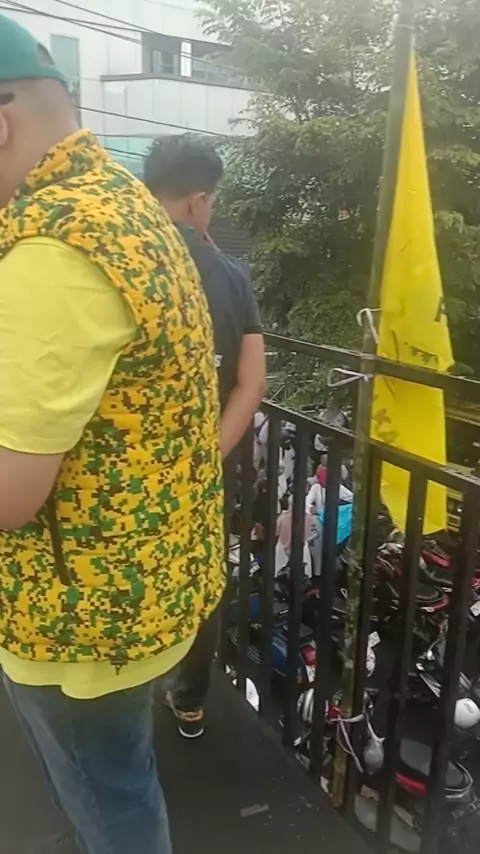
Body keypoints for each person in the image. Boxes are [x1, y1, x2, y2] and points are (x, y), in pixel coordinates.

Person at [0, 16, 225, 854]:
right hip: (141, 586)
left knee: (111, 801)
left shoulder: (50, 252)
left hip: (75, 618)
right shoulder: (120, 204)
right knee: (115, 782)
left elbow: (10, 495)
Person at [144, 135, 266, 737]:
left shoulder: (116, 257)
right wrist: (206, 454)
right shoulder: (231, 274)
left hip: (123, 465)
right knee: (201, 575)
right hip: (207, 466)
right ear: (198, 199)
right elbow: (252, 382)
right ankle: (189, 698)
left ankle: (122, 689)